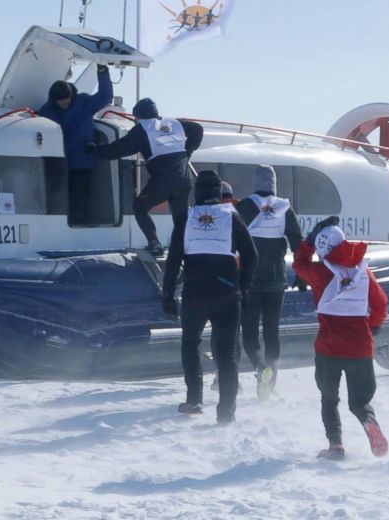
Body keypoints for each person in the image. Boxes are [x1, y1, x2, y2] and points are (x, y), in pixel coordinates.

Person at [162, 170, 257, 424]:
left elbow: (173, 261)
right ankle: (226, 412)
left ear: (197, 191)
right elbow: (251, 255)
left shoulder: (186, 218)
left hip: (195, 293)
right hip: (227, 293)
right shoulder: (232, 217)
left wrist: (168, 294)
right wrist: (244, 287)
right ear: (218, 192)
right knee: (227, 354)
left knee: (191, 343)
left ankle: (194, 399)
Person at [293, 219, 389, 460]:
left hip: (328, 349)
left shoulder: (319, 273)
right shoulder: (363, 274)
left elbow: (298, 263)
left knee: (329, 398)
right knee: (359, 401)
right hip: (360, 348)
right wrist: (373, 326)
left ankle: (335, 445)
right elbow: (380, 304)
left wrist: (308, 242)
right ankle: (368, 420)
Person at [90, 98, 204, 256]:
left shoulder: (142, 129)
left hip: (163, 181)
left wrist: (95, 150)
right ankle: (188, 250)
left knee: (140, 207)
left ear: (138, 117)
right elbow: (198, 129)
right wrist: (187, 153)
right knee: (180, 219)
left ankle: (154, 243)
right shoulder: (175, 123)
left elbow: (117, 150)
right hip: (184, 179)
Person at [234, 165, 303, 399]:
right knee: (272, 331)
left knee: (250, 331)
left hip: (250, 279)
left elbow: (230, 239)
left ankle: (258, 367)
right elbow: (298, 243)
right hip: (276, 280)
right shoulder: (285, 207)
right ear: (274, 183)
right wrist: (302, 273)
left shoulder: (245, 206)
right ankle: (270, 381)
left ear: (255, 183)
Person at [37, 65, 113, 224]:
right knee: (58, 198)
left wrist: (103, 73)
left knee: (81, 196)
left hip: (82, 161)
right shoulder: (47, 111)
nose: (64, 103)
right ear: (54, 100)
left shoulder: (84, 102)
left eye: (67, 99)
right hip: (57, 163)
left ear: (71, 95)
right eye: (60, 101)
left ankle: (81, 224)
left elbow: (105, 96)